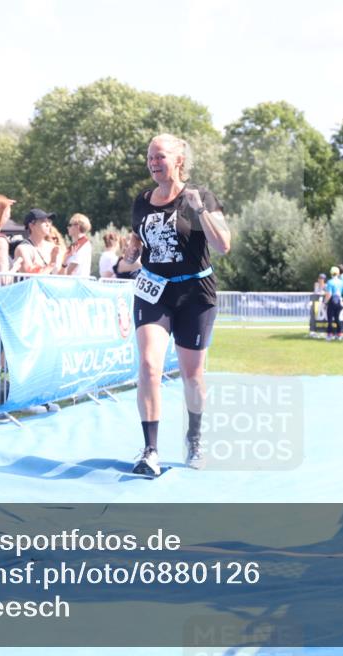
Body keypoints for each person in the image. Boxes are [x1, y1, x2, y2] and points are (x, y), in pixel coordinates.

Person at [130, 133, 230, 476]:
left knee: (192, 375)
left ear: (178, 160)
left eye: (160, 157)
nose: (154, 163)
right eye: (150, 158)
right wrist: (132, 254)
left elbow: (223, 245)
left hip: (195, 293)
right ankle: (150, 450)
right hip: (153, 290)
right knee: (148, 365)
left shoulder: (199, 197)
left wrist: (199, 209)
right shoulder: (141, 200)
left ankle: (195, 437)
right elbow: (140, 237)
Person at [14, 209, 60, 274]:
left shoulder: (52, 247)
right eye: (43, 221)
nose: (48, 224)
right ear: (31, 226)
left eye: (49, 221)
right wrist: (51, 264)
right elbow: (30, 278)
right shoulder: (23, 249)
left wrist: (66, 262)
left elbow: (61, 275)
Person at [57, 213, 92, 277]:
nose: (67, 227)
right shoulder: (75, 245)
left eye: (70, 225)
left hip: (77, 284)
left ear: (77, 226)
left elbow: (70, 271)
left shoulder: (83, 244)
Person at [324, 265, 343, 340]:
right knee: (337, 318)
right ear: (338, 273)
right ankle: (339, 333)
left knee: (330, 318)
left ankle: (329, 334)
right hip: (339, 300)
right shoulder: (341, 282)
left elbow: (329, 294)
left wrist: (325, 302)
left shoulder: (330, 282)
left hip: (332, 300)